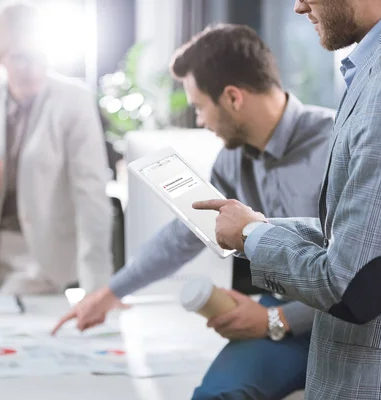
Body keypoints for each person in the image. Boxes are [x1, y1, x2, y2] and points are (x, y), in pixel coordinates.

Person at [54, 24, 335, 399]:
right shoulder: (232, 161)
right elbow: (183, 235)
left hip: (344, 320)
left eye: (200, 107)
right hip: (283, 311)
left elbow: (360, 271)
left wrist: (276, 320)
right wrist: (108, 293)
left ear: (233, 98)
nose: (201, 120)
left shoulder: (338, 144)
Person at [193, 1, 381, 398]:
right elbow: (371, 236)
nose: (299, 6)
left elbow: (354, 283)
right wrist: (257, 226)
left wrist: (252, 238)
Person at [0, 1, 113, 295]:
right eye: (21, 58)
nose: (33, 68)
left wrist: (99, 287)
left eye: (41, 56)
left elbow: (92, 193)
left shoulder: (74, 101)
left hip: (45, 257)